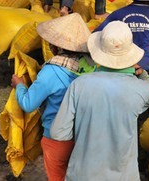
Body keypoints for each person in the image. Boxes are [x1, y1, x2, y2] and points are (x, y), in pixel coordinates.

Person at [50, 20, 149, 181]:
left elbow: (58, 133)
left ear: (99, 51)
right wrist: (142, 74)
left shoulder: (79, 84)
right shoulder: (140, 89)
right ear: (129, 54)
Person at [11, 13, 95, 181]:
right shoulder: (94, 67)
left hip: (58, 138)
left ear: (55, 47)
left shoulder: (51, 71)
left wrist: (19, 85)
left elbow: (28, 104)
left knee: (57, 176)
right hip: (87, 135)